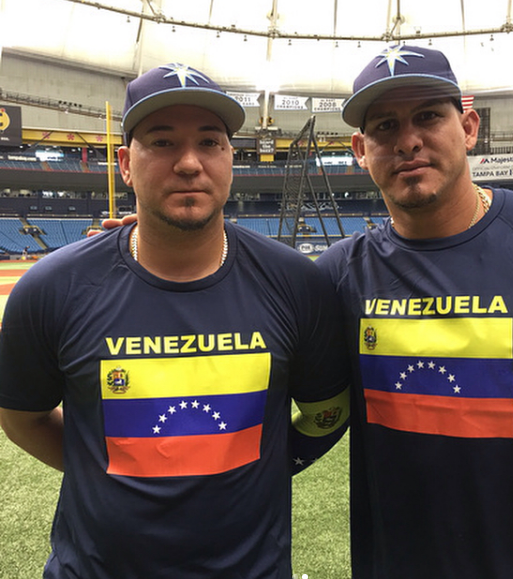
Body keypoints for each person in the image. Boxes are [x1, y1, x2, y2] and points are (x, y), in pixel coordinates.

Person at [0, 63, 350, 579]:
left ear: (232, 157)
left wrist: (268, 467)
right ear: (124, 163)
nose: (189, 163)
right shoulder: (52, 288)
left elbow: (328, 411)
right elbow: (22, 418)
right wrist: (105, 472)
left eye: (210, 142)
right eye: (162, 143)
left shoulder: (297, 283)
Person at [315, 44, 513, 578]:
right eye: (384, 127)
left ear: (467, 127)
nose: (408, 140)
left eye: (428, 116)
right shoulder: (338, 276)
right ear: (360, 148)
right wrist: (146, 253)